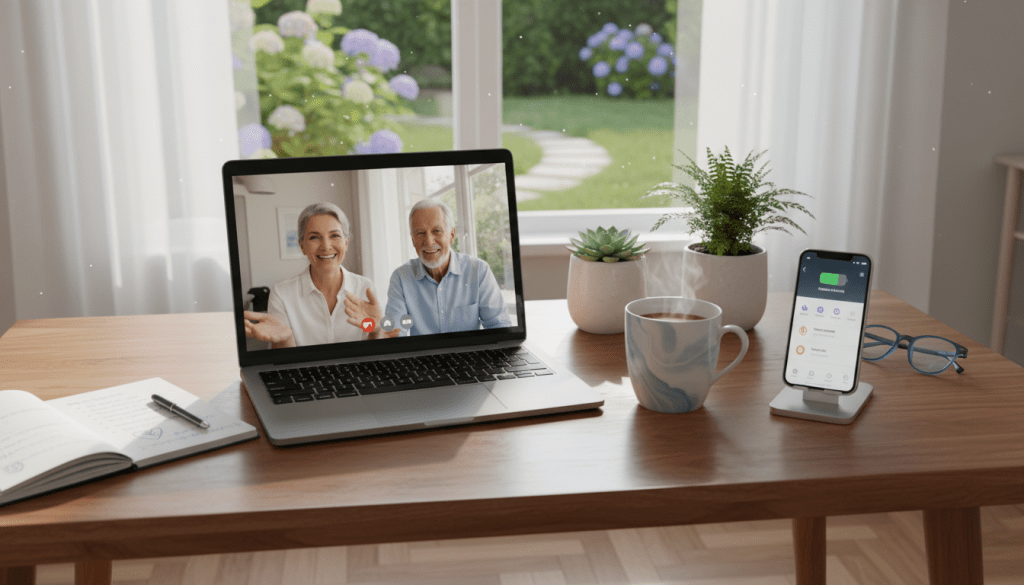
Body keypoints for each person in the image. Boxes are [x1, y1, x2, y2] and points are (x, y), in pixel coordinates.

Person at [244, 202, 382, 348]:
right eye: (314, 237)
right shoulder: (281, 294)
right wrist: (285, 338)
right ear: (302, 246)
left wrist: (376, 330)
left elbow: (372, 351)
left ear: (346, 243)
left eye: (334, 235)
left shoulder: (365, 288)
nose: (326, 246)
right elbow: (285, 364)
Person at [384, 199, 511, 337]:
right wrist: (376, 333)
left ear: (451, 235)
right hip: (425, 357)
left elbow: (500, 330)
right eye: (420, 233)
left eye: (437, 231)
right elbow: (395, 336)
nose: (429, 242)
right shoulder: (400, 278)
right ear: (413, 239)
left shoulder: (479, 270)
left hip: (470, 356)